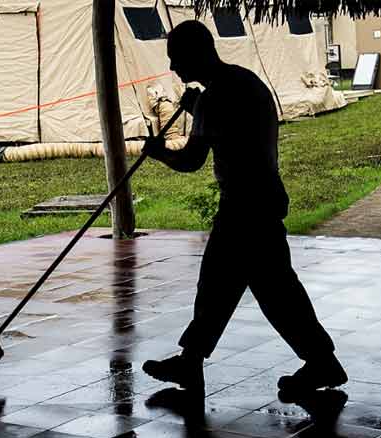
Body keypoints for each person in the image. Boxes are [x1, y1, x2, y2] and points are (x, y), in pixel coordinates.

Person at [142, 20, 347, 397]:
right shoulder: (244, 82)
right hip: (264, 198)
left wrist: (158, 153)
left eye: (176, 58)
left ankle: (320, 361)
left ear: (196, 54)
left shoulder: (216, 97)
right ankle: (195, 361)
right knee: (248, 288)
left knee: (253, 289)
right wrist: (198, 107)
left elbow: (191, 161)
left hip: (243, 207)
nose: (174, 68)